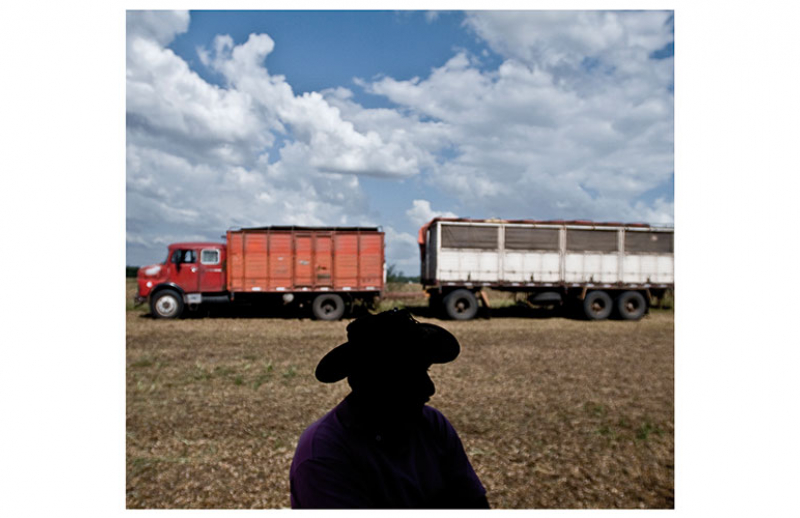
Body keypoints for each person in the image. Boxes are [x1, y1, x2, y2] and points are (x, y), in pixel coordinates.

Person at [290, 308, 489, 509]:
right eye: (410, 375)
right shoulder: (324, 454)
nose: (430, 388)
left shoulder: (433, 426)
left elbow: (475, 503)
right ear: (372, 383)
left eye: (425, 370)